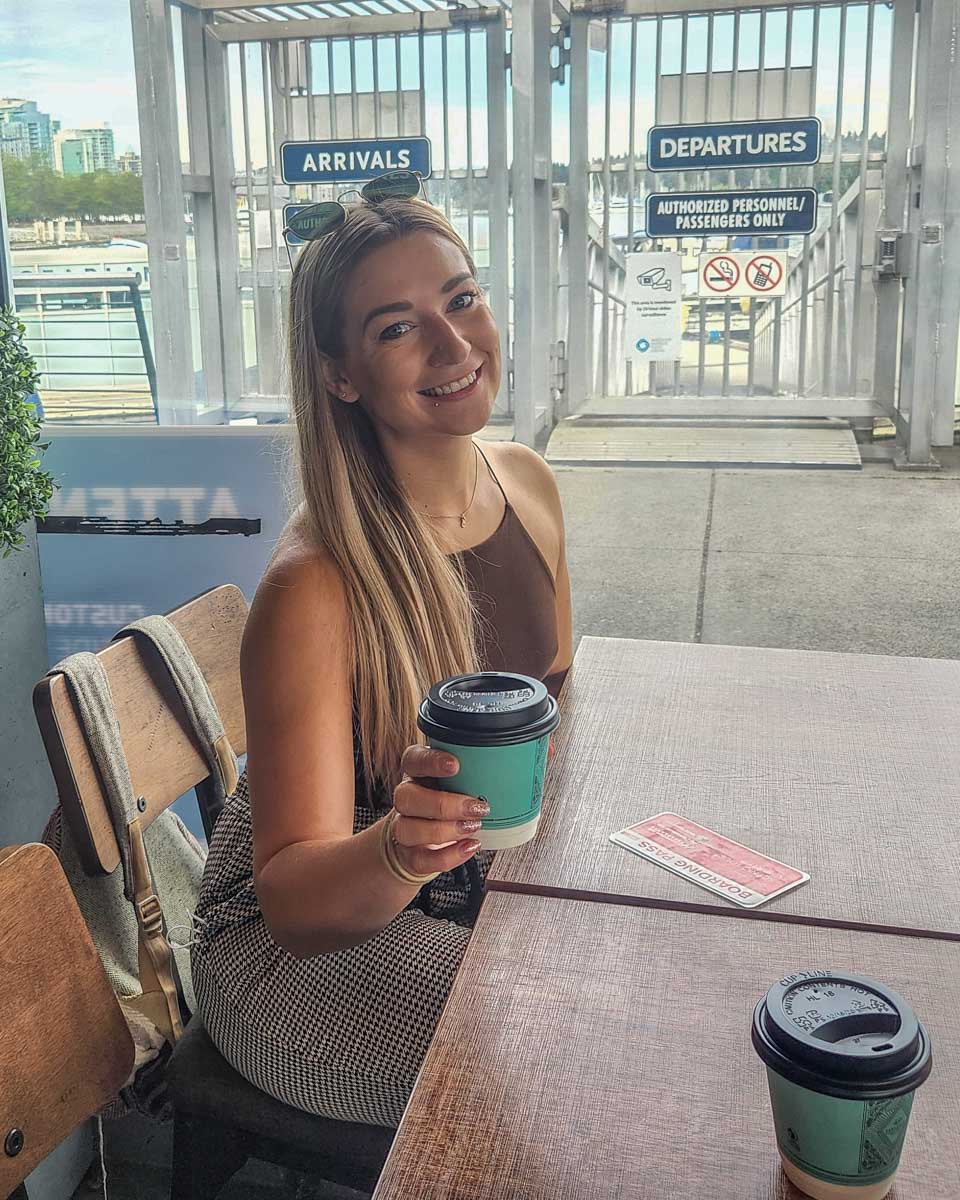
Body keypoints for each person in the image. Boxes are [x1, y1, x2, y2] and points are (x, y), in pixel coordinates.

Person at [191, 175, 573, 1130]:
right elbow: (290, 901)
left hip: (473, 878)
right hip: (303, 947)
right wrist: (404, 852)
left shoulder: (527, 483)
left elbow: (558, 722)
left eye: (462, 298)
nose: (454, 347)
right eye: (397, 328)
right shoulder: (316, 586)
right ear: (340, 373)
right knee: (553, 1049)